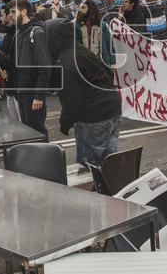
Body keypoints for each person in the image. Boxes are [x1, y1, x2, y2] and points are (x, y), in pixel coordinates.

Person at [46, 19, 122, 167]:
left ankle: (98, 189)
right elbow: (106, 73)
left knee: (90, 166)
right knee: (111, 163)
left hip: (94, 117)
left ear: (54, 38)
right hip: (113, 109)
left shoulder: (65, 63)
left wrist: (65, 123)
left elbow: (72, 100)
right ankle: (114, 187)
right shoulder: (81, 50)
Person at [8, 0, 50, 136]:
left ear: (24, 11)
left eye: (13, 12)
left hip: (32, 94)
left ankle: (47, 158)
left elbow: (44, 67)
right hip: (22, 92)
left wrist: (39, 95)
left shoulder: (36, 33)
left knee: (37, 133)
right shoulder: (19, 33)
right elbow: (12, 62)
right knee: (28, 133)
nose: (10, 16)